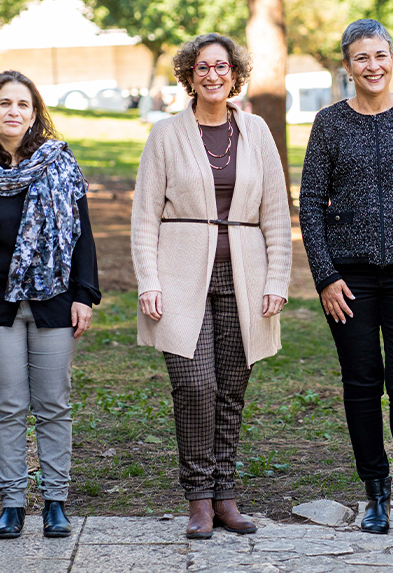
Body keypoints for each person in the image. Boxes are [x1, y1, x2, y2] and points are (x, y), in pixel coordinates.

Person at [131, 33, 291, 540]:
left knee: (232, 390)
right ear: (189, 75)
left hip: (244, 276)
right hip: (180, 278)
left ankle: (226, 496)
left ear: (235, 74)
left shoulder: (257, 131)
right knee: (195, 385)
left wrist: (277, 278)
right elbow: (143, 217)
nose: (213, 75)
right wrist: (148, 281)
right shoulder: (166, 134)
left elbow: (275, 213)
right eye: (203, 67)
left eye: (222, 66)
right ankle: (198, 498)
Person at [300, 19, 393, 540]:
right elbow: (311, 207)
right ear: (347, 66)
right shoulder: (329, 124)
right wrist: (324, 276)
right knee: (362, 386)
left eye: (381, 55)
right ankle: (375, 495)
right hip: (349, 279)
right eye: (361, 58)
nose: (373, 66)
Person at [0, 71, 100, 539]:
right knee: (9, 405)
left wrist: (85, 294)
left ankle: (55, 501)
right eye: (5, 104)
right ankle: (13, 503)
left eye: (23, 105)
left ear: (35, 115)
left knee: (53, 403)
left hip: (56, 302)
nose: (14, 111)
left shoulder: (60, 164)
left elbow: (82, 235)